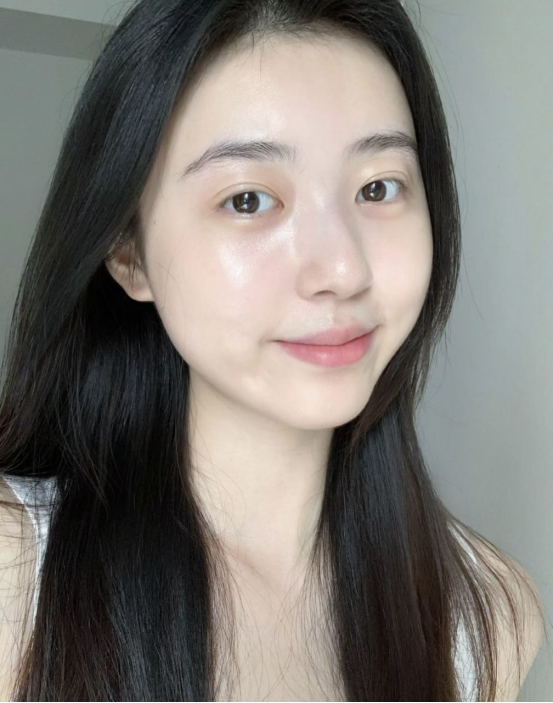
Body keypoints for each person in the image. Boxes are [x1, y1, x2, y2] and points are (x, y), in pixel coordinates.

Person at [0, 0, 546, 700]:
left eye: (378, 187)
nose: (341, 269)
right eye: (249, 200)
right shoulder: (17, 580)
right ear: (128, 253)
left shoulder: (487, 617)